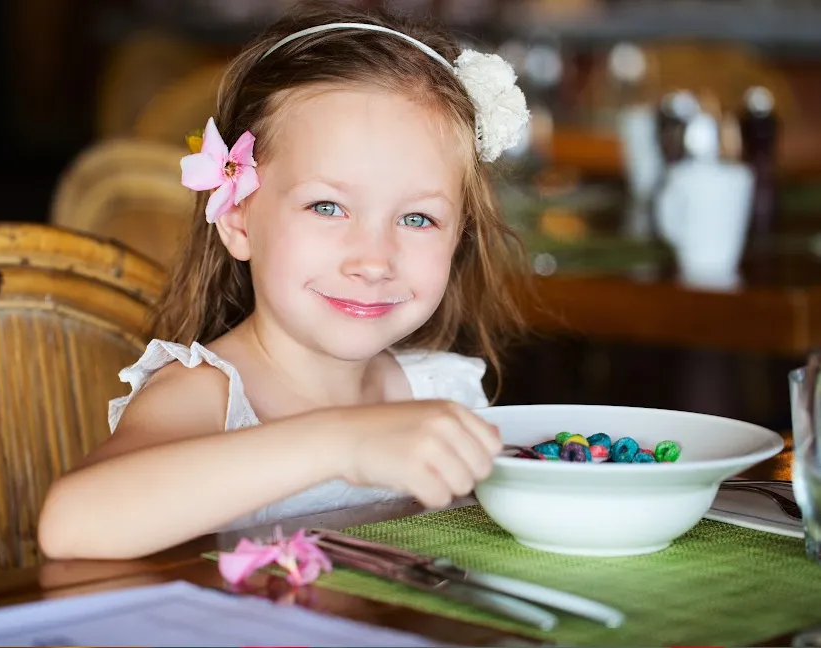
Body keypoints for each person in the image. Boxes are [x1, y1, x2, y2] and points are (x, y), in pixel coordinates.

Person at [37, 0, 531, 560]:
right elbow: (71, 524)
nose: (373, 260)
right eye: (327, 207)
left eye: (417, 218)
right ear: (237, 218)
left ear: (459, 234)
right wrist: (344, 442)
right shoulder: (207, 396)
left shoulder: (438, 392)